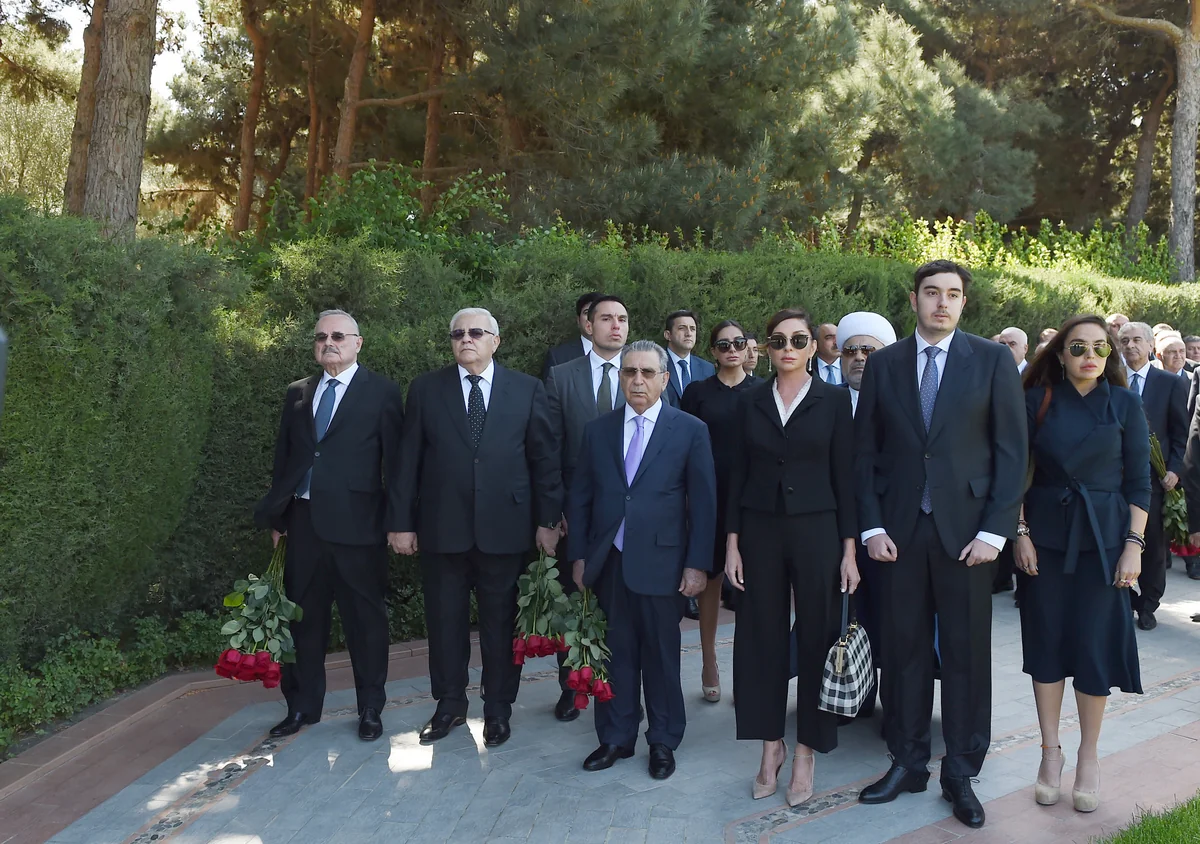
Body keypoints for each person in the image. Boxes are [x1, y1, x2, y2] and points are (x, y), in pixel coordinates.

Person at [854, 260, 1027, 830]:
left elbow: (1013, 453)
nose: (942, 303)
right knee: (902, 650)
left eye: (953, 294)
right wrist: (872, 527)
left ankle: (960, 771)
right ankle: (906, 762)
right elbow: (864, 452)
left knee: (965, 654)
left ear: (963, 303)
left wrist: (995, 532)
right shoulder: (884, 364)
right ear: (914, 300)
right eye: (932, 293)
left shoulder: (993, 360)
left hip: (969, 536)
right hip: (899, 534)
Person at [394, 308, 562, 748]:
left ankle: (498, 709)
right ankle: (449, 704)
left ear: (495, 341)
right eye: (457, 334)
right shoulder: (426, 389)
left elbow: (544, 460)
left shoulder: (526, 389)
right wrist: (401, 522)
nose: (465, 339)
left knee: (501, 625)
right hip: (441, 528)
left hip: (506, 528)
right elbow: (407, 461)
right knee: (444, 622)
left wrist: (548, 521)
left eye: (475, 332)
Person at [722, 308, 859, 807]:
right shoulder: (750, 400)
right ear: (766, 347)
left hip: (819, 529)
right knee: (760, 637)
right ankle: (770, 746)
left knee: (819, 635)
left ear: (812, 347)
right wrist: (732, 543)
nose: (788, 348)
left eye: (799, 340)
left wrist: (850, 549)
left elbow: (846, 476)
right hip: (759, 529)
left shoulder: (834, 400)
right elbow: (736, 474)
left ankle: (806, 751)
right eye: (778, 340)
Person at [1014, 315, 1148, 814]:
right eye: (1077, 347)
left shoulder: (1125, 404)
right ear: (1060, 354)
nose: (1089, 356)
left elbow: (1139, 482)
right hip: (1045, 538)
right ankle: (1050, 753)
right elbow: (1016, 473)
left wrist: (1134, 546)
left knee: (1093, 648)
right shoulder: (1036, 401)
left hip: (1105, 541)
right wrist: (1020, 533)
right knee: (1046, 644)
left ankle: (1088, 755)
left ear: (1110, 354)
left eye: (1099, 348)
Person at [568, 340, 717, 780]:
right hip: (609, 562)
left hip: (663, 564)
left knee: (660, 656)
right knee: (615, 653)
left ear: (664, 379)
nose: (637, 380)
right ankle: (616, 737)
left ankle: (663, 740)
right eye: (630, 372)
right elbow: (581, 497)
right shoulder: (598, 430)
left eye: (647, 373)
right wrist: (579, 555)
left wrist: (697, 564)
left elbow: (703, 503)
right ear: (620, 377)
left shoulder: (689, 429)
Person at [254, 309, 405, 742]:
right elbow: (285, 459)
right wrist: (279, 516)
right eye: (321, 337)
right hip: (302, 526)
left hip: (359, 526)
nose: (329, 343)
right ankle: (302, 707)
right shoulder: (298, 392)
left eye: (338, 336)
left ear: (358, 342)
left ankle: (370, 709)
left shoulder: (382, 392)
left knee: (365, 623)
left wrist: (398, 523)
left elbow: (395, 465)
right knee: (303, 621)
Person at [545, 294, 629, 722]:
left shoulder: (644, 371)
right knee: (574, 603)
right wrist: (556, 508)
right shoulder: (562, 376)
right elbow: (549, 448)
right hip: (576, 513)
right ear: (588, 325)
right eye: (606, 318)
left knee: (624, 606)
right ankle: (573, 687)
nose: (615, 326)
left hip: (630, 515)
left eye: (622, 319)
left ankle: (622, 689)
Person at [679, 320, 762, 703]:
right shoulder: (697, 392)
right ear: (712, 351)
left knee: (752, 584)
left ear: (747, 348)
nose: (732, 349)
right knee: (709, 580)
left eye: (738, 343)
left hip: (751, 498)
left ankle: (748, 670)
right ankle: (709, 660)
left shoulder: (762, 390)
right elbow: (681, 446)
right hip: (708, 496)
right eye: (723, 344)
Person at [836, 311, 898, 726]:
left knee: (893, 618)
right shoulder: (826, 401)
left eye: (869, 350)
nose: (859, 358)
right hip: (839, 531)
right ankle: (849, 696)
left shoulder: (902, 400)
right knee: (845, 616)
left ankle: (895, 705)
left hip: (891, 530)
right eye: (851, 350)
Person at [1117, 321, 1188, 630]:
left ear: (1150, 346)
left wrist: (1174, 469)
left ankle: (1148, 604)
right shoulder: (1112, 379)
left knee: (1153, 543)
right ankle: (1125, 599)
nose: (1130, 345)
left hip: (1154, 479)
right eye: (1124, 341)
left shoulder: (1169, 382)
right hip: (1115, 478)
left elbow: (1181, 432)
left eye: (1136, 340)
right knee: (1118, 539)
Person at [541, 292, 603, 380]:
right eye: (586, 313)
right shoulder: (558, 357)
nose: (591, 318)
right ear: (578, 320)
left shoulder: (622, 355)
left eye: (598, 313)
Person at [663, 310, 715, 407]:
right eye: (682, 328)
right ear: (668, 335)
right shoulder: (656, 364)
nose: (688, 333)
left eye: (692, 329)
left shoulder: (707, 369)